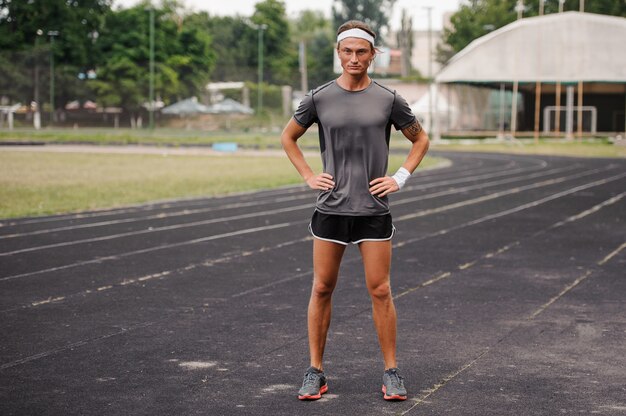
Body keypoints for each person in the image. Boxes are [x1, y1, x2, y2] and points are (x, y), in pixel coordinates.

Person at [281, 20, 430, 401]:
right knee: (321, 287)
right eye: (347, 51)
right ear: (338, 53)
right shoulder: (318, 98)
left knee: (380, 290)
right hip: (330, 209)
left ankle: (392, 372)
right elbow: (288, 137)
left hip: (373, 211)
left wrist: (399, 177)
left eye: (361, 52)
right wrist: (308, 175)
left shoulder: (388, 98)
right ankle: (315, 371)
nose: (353, 58)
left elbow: (420, 139)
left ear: (373, 55)